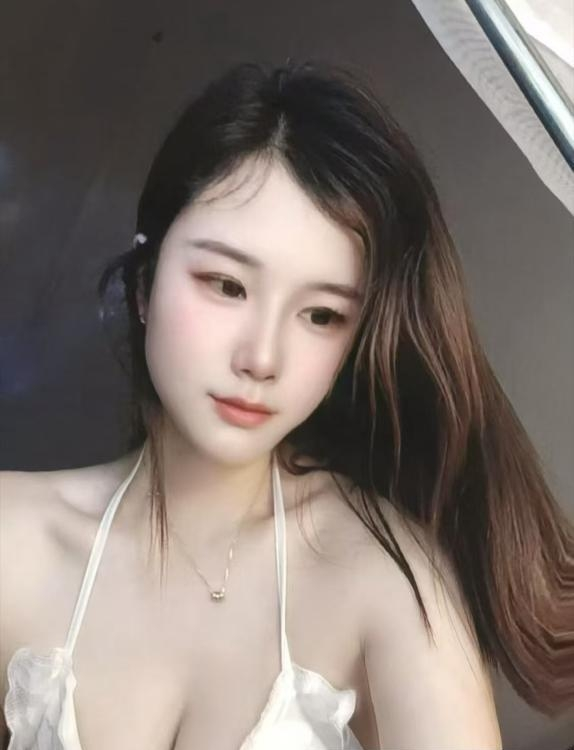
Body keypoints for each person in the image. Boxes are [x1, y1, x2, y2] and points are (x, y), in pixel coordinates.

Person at [1, 59, 572, 750]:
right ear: (146, 283)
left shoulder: (384, 578)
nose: (262, 358)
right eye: (227, 285)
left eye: (322, 315)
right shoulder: (15, 539)